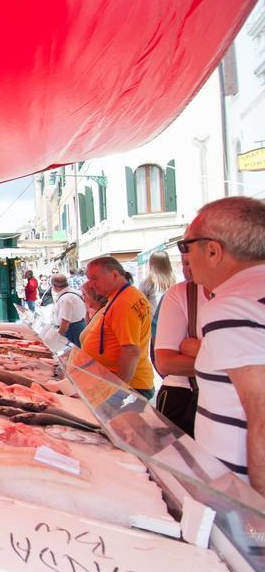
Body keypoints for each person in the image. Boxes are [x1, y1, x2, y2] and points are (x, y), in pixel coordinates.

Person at [181, 197, 265, 492]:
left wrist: (255, 520)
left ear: (213, 250)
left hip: (241, 497)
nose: (186, 258)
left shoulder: (232, 305)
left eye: (186, 246)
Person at [81, 256, 155, 399]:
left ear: (114, 275)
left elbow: (130, 351)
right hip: (125, 382)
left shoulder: (124, 302)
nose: (91, 284)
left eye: (95, 278)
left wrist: (116, 392)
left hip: (132, 386)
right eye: (89, 279)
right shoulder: (122, 296)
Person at [153, 254, 209, 437]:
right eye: (185, 262)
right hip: (186, 395)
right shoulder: (181, 293)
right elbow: (166, 363)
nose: (188, 269)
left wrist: (199, 350)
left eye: (191, 260)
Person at [50, 274, 86, 346]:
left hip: (73, 332)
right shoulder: (75, 292)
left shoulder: (65, 299)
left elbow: (65, 322)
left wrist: (57, 338)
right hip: (81, 327)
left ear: (54, 286)